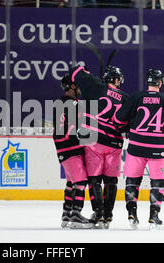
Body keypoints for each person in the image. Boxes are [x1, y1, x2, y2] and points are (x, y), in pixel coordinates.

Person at [117, 69, 164, 229]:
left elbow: (118, 118)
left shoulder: (135, 97)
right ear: (161, 83)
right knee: (157, 183)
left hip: (136, 146)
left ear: (148, 83)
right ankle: (153, 217)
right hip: (159, 148)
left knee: (132, 181)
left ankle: (132, 214)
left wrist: (131, 123)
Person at [70, 65, 129, 229]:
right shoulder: (125, 98)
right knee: (111, 181)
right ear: (117, 80)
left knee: (94, 180)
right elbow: (128, 124)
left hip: (94, 140)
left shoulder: (95, 85)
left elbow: (75, 72)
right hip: (114, 143)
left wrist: (86, 71)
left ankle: (99, 213)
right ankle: (108, 216)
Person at [53, 73, 92, 229]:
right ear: (73, 87)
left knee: (71, 183)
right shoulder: (74, 104)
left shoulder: (61, 103)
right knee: (81, 182)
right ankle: (76, 215)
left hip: (64, 149)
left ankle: (66, 213)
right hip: (71, 149)